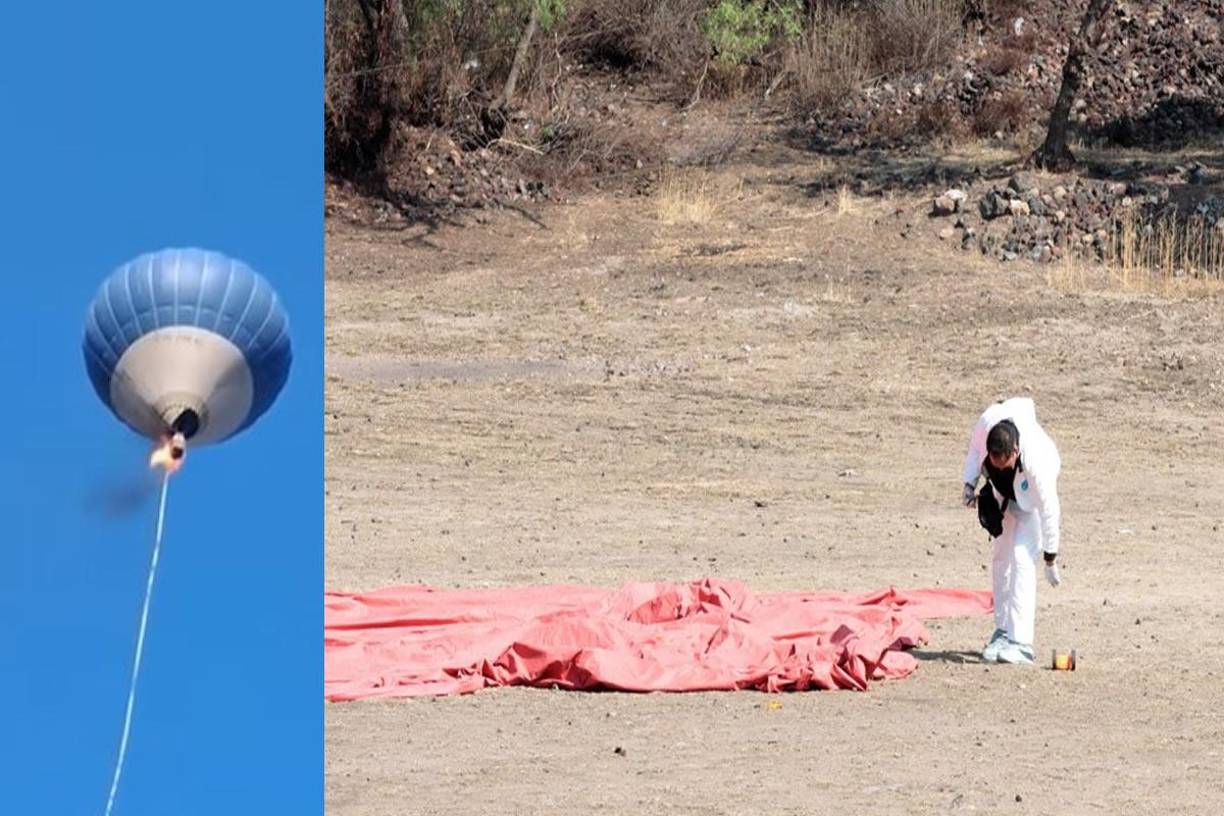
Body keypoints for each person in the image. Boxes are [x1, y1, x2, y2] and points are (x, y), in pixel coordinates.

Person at [960, 397, 1063, 665]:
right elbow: (973, 451)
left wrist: (1050, 556)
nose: (999, 467)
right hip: (1004, 495)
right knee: (1001, 557)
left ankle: (1021, 643)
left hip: (1031, 504)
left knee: (1021, 558)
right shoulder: (986, 425)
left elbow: (1050, 508)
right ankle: (1003, 631)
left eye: (1004, 464)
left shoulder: (1038, 460)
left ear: (1015, 451)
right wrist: (969, 484)